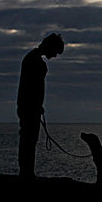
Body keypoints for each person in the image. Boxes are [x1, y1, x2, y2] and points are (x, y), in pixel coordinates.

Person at [17, 33, 64, 178]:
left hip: (28, 106)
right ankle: (27, 172)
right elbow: (33, 88)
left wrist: (38, 105)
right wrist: (36, 105)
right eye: (55, 52)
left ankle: (26, 171)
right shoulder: (36, 62)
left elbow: (30, 87)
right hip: (30, 108)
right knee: (29, 140)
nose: (55, 56)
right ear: (50, 47)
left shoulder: (31, 58)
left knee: (28, 140)